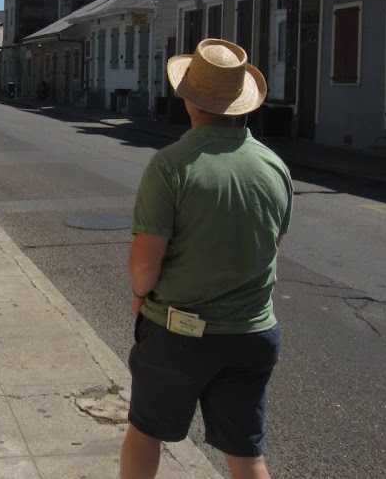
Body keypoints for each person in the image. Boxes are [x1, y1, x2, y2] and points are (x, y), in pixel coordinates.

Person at [120, 39, 293, 479]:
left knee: (145, 433)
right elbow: (269, 247)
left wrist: (141, 298)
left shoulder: (171, 165)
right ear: (243, 104)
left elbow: (145, 264)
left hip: (179, 331)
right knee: (246, 455)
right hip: (253, 332)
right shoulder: (274, 166)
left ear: (188, 99)